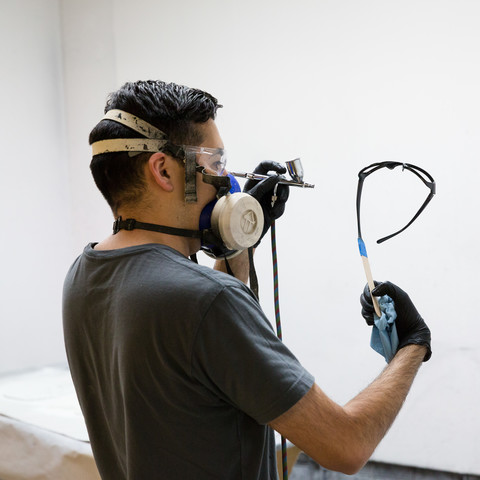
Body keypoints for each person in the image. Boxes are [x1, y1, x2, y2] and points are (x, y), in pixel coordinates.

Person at [63, 80, 432, 480]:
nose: (224, 181)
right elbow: (346, 445)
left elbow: (202, 358)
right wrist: (412, 345)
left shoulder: (83, 275)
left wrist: (238, 242)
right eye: (215, 163)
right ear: (165, 170)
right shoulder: (207, 301)